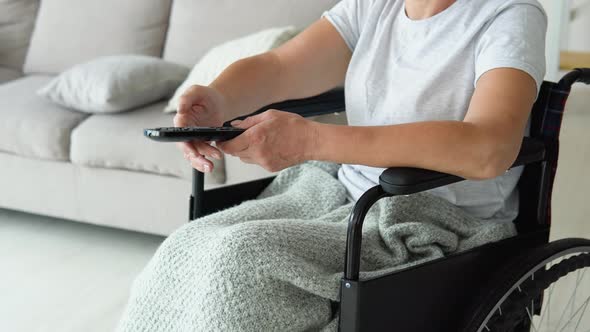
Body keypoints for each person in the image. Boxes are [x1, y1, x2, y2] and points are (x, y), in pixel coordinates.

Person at [117, 0, 547, 330]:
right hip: (345, 192)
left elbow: (489, 146)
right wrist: (217, 101)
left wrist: (311, 140)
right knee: (189, 243)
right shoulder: (374, 6)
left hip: (436, 219)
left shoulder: (508, 15)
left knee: (241, 258)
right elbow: (281, 66)